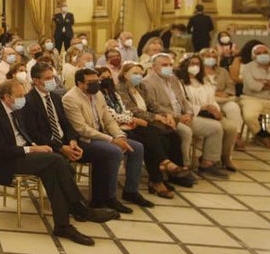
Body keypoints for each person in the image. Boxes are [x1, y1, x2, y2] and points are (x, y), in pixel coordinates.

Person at [0, 80, 118, 245]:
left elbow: (25, 136)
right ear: (6, 97)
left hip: (24, 154)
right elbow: (0, 151)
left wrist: (35, 146)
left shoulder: (17, 110)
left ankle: (62, 225)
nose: (23, 98)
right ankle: (81, 208)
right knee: (56, 160)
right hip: (7, 162)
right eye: (19, 96)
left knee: (52, 171)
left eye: (23, 95)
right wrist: (32, 150)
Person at [24, 63, 129, 214]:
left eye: (52, 77)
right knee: (63, 166)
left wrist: (72, 141)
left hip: (68, 142)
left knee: (104, 154)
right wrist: (61, 148)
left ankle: (101, 199)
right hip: (48, 146)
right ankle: (75, 206)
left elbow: (66, 124)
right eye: (47, 78)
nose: (52, 80)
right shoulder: (29, 101)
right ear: (36, 81)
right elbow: (35, 134)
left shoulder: (54, 97)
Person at [61, 67, 154, 209]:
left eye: (96, 81)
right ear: (79, 83)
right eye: (90, 82)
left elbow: (108, 120)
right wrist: (111, 140)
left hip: (102, 135)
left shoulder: (97, 94)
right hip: (84, 140)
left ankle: (131, 191)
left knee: (137, 147)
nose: (95, 84)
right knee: (114, 151)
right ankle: (110, 197)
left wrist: (119, 136)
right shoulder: (70, 98)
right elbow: (82, 129)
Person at [141, 53, 228, 178]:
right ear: (154, 67)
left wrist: (189, 113)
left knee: (216, 127)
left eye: (170, 65)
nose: (168, 67)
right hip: (167, 119)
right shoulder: (147, 82)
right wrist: (177, 117)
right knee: (186, 132)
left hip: (184, 116)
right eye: (164, 65)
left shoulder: (173, 79)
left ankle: (207, 163)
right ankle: (183, 167)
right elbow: (155, 106)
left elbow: (184, 100)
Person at [96, 65, 175, 199]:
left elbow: (123, 109)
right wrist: (133, 119)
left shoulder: (113, 92)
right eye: (102, 77)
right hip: (114, 128)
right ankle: (158, 176)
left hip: (128, 124)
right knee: (148, 140)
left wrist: (131, 119)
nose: (106, 79)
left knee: (161, 137)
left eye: (109, 76)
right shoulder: (99, 94)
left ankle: (158, 177)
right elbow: (111, 115)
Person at [115, 63, 193, 188]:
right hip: (132, 123)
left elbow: (152, 104)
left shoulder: (140, 87)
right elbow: (132, 109)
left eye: (141, 74)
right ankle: (159, 176)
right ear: (125, 74)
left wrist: (166, 114)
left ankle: (176, 174)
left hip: (147, 123)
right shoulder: (120, 88)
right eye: (135, 73)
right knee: (154, 137)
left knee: (173, 137)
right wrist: (155, 117)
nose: (139, 76)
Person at [179, 56, 239, 171]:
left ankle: (225, 157)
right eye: (192, 64)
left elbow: (211, 99)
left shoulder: (204, 81)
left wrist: (217, 111)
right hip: (194, 113)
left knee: (231, 127)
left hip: (209, 112)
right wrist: (201, 108)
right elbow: (183, 103)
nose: (195, 67)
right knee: (217, 128)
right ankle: (209, 160)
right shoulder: (180, 82)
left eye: (197, 64)